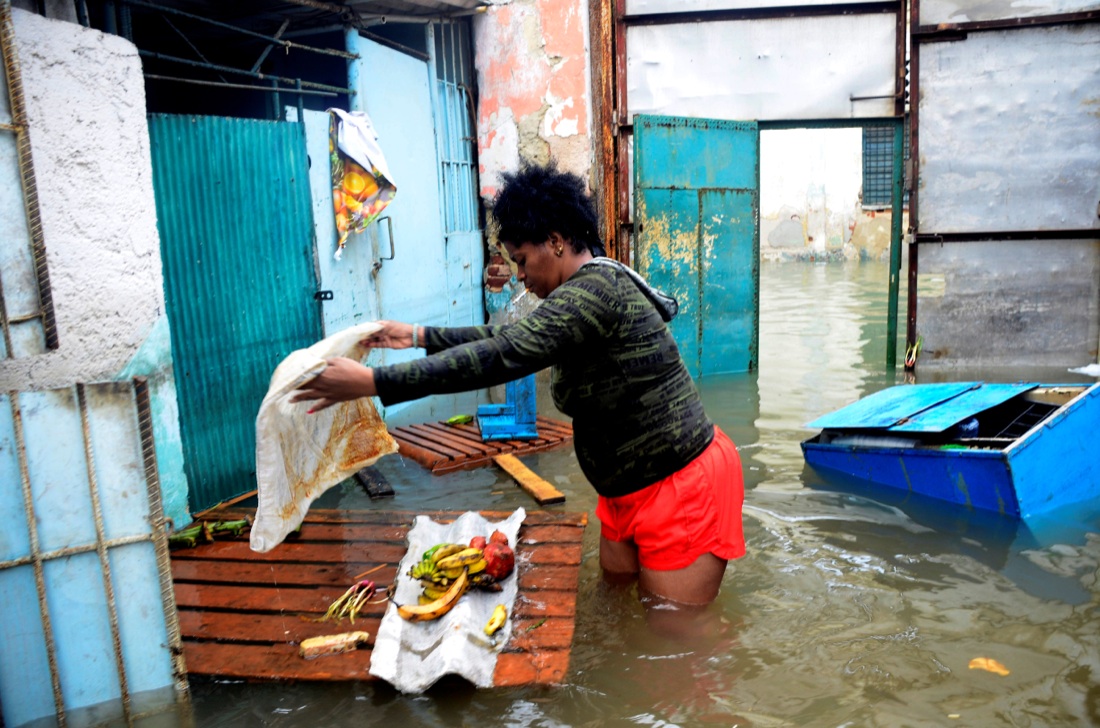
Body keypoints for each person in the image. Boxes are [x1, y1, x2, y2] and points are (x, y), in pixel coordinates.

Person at [292, 161, 745, 609]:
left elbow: (504, 357)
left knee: (676, 647)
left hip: (679, 486)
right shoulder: (578, 295)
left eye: (523, 260)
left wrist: (373, 381)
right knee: (619, 608)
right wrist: (415, 336)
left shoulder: (597, 292)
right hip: (624, 493)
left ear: (556, 240)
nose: (521, 275)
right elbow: (507, 340)